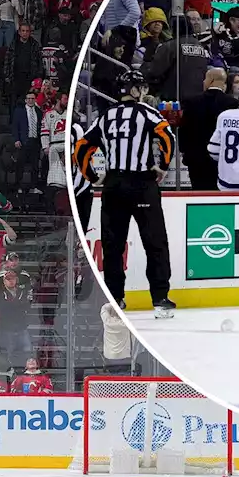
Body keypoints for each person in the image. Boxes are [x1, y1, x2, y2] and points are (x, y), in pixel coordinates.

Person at [72, 69, 175, 317]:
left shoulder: (105, 116)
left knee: (113, 245)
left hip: (114, 186)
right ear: (134, 90)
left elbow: (81, 146)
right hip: (141, 184)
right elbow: (166, 135)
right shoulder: (147, 113)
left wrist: (94, 177)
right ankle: (160, 298)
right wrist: (162, 166)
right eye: (140, 87)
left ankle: (116, 298)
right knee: (155, 242)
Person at [178, 67, 238, 191]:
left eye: (205, 79)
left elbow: (184, 129)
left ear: (210, 80)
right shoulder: (232, 103)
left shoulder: (192, 102)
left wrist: (184, 150)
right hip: (223, 160)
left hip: (196, 159)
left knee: (199, 194)